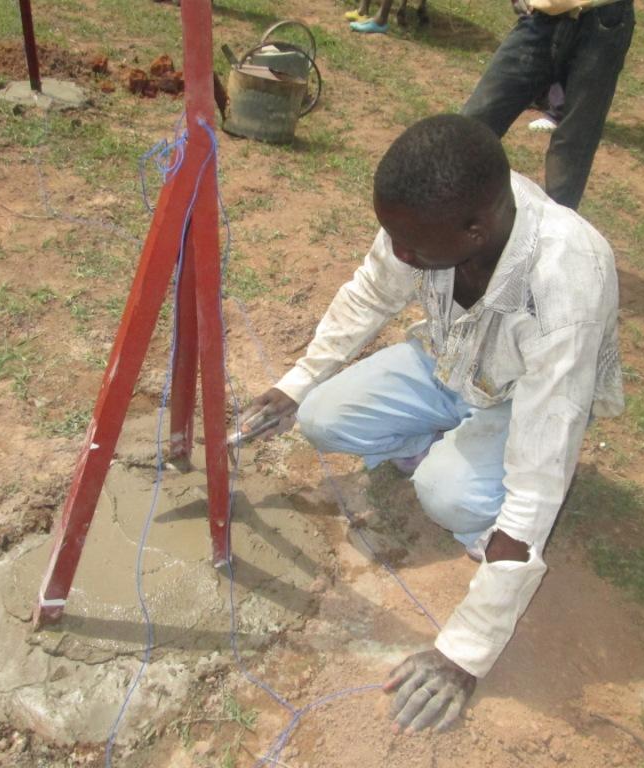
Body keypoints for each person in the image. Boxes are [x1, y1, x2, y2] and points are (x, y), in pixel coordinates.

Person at [238, 114, 623, 732]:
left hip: (520, 399)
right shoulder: (426, 214)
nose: (399, 253)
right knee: (321, 416)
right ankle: (441, 440)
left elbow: (539, 475)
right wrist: (296, 383)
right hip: (447, 362)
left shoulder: (565, 288)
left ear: (476, 230)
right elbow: (370, 293)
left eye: (411, 246)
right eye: (393, 235)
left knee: (448, 495)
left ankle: (466, 474)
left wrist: (465, 653)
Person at [462, 0, 635, 209]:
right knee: (473, 124)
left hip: (605, 21)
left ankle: (557, 225)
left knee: (573, 146)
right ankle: (441, 211)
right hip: (540, 17)